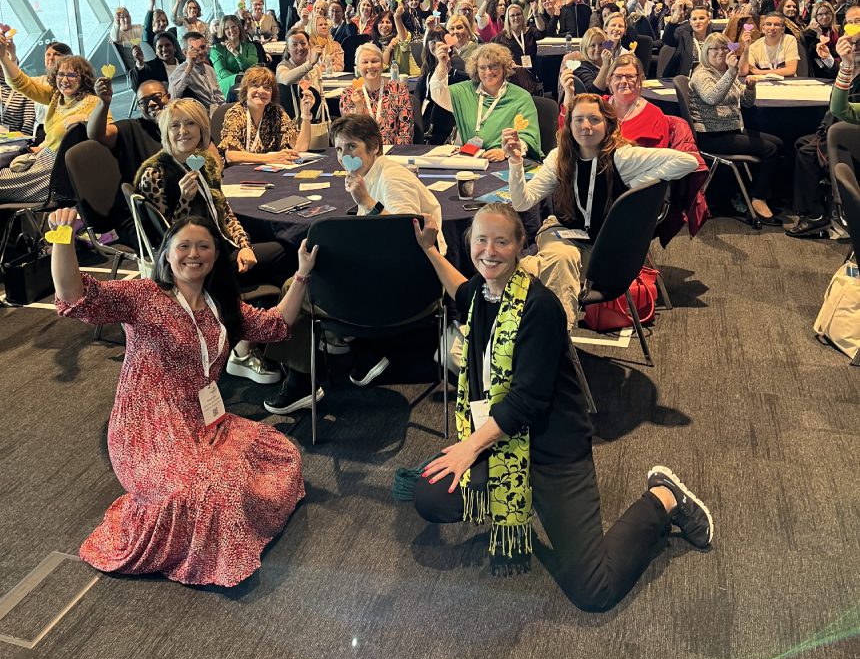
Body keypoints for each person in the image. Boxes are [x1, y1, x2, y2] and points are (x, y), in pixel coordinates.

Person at [408, 200, 712, 611]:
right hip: (506, 443)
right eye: (481, 240)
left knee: (594, 590)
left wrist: (469, 447)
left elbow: (525, 403)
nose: (489, 251)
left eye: (501, 241)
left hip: (554, 451)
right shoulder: (482, 294)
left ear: (520, 246)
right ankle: (520, 494)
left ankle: (663, 497)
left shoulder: (539, 308)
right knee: (431, 496)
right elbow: (460, 288)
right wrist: (429, 251)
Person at [50, 205, 313, 586]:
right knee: (209, 489)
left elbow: (275, 324)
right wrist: (62, 238)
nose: (193, 254)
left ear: (216, 255)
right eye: (184, 246)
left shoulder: (219, 304)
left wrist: (302, 274)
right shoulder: (143, 295)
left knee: (279, 452)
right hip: (145, 430)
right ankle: (207, 553)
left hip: (202, 421)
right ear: (167, 253)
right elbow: (74, 297)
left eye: (203, 246)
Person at [264, 113, 445, 408]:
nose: (343, 156)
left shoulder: (393, 178)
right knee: (309, 277)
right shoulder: (367, 175)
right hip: (382, 273)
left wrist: (367, 203)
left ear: (373, 147)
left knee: (295, 287)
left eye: (351, 147)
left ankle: (303, 380)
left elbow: (407, 242)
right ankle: (358, 354)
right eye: (338, 149)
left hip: (407, 286)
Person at [504, 89, 697, 326]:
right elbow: (522, 201)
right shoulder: (559, 157)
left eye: (594, 120)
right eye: (579, 120)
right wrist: (515, 163)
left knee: (541, 267)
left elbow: (687, 161)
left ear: (608, 124)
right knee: (561, 257)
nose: (586, 126)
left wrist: (636, 186)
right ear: (569, 126)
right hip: (562, 234)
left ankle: (531, 288)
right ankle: (559, 335)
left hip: (603, 246)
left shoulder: (623, 157)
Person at [135, 98, 288, 382]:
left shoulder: (204, 161)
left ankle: (266, 335)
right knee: (231, 274)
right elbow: (165, 238)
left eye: (190, 123)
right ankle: (241, 351)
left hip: (218, 247)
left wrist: (244, 245)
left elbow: (223, 210)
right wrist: (184, 200)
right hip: (189, 262)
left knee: (281, 252)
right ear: (166, 132)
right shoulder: (154, 173)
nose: (183, 131)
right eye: (175, 126)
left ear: (202, 128)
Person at [0, 32, 106, 203]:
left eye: (72, 75)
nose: (65, 80)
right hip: (42, 159)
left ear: (83, 78)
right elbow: (21, 84)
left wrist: (87, 118)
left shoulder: (92, 102)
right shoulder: (56, 96)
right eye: (61, 74)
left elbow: (108, 131)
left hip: (56, 174)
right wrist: (3, 58)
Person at [689, 33, 783, 225]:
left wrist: (749, 88)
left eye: (724, 48)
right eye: (714, 49)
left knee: (778, 143)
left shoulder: (725, 72)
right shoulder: (702, 74)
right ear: (706, 52)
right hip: (711, 135)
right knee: (770, 149)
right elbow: (711, 97)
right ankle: (757, 199)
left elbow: (746, 103)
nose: (720, 52)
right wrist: (732, 72)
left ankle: (750, 191)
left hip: (730, 130)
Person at [787, 10, 860, 237]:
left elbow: (842, 107)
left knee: (809, 151)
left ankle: (815, 215)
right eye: (849, 22)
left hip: (849, 134)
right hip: (837, 124)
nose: (853, 27)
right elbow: (842, 82)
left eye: (857, 21)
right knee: (801, 143)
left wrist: (845, 64)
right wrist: (837, 61)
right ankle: (814, 207)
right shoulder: (850, 57)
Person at [429, 42, 541, 162]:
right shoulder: (464, 91)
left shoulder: (521, 97)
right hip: (471, 160)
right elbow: (438, 93)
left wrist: (506, 152)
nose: (488, 72)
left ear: (504, 67)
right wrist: (442, 64)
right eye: (482, 68)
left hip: (505, 161)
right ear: (476, 69)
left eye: (493, 66)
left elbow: (528, 136)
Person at [218, 66, 312, 164]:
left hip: (267, 172)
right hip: (239, 173)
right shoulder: (236, 113)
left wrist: (305, 114)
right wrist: (270, 158)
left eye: (267, 87)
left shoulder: (276, 112)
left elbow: (300, 148)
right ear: (246, 90)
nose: (261, 91)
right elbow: (231, 156)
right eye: (255, 86)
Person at [338, 43, 413, 144]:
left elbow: (406, 131)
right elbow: (350, 134)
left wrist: (397, 155)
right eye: (364, 62)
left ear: (382, 64)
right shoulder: (348, 94)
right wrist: (359, 107)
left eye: (374, 61)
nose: (370, 66)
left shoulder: (399, 90)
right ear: (358, 67)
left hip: (393, 153)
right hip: (362, 153)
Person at [606, 54, 670, 147]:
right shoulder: (598, 107)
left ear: (640, 80)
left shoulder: (654, 115)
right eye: (618, 76)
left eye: (630, 76)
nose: (623, 81)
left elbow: (658, 158)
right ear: (610, 80)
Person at [168, 31, 225, 109]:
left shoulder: (209, 69)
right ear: (185, 53)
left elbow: (219, 94)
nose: (201, 52)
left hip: (217, 110)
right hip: (199, 114)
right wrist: (189, 67)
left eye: (202, 47)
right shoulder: (181, 70)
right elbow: (172, 97)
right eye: (195, 49)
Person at [209, 15, 260, 98]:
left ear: (239, 27)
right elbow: (221, 72)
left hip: (249, 82)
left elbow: (253, 65)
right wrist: (240, 78)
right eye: (227, 28)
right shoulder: (216, 49)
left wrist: (236, 53)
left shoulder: (250, 47)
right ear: (223, 31)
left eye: (233, 26)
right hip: (227, 83)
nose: (231, 30)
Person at [661, 4, 715, 78]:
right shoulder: (683, 35)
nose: (698, 22)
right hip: (685, 79)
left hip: (709, 78)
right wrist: (675, 17)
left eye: (701, 18)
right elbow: (667, 40)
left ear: (708, 20)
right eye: (694, 19)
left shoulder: (714, 39)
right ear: (690, 22)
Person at [742, 12, 800, 77]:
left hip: (787, 82)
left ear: (783, 29)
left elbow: (790, 70)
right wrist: (746, 48)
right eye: (768, 24)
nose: (772, 28)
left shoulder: (789, 40)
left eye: (777, 24)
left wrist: (759, 72)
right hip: (764, 84)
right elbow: (743, 72)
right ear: (763, 29)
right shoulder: (754, 46)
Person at [557, 27, 611, 95]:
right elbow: (593, 92)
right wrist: (605, 66)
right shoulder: (580, 67)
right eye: (593, 45)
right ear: (586, 48)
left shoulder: (611, 62)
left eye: (601, 44)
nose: (597, 49)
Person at [803, 2, 840, 79]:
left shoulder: (836, 30)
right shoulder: (809, 32)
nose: (824, 17)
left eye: (827, 13)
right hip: (820, 70)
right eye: (820, 14)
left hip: (837, 65)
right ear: (815, 17)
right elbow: (813, 54)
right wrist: (818, 34)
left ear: (832, 14)